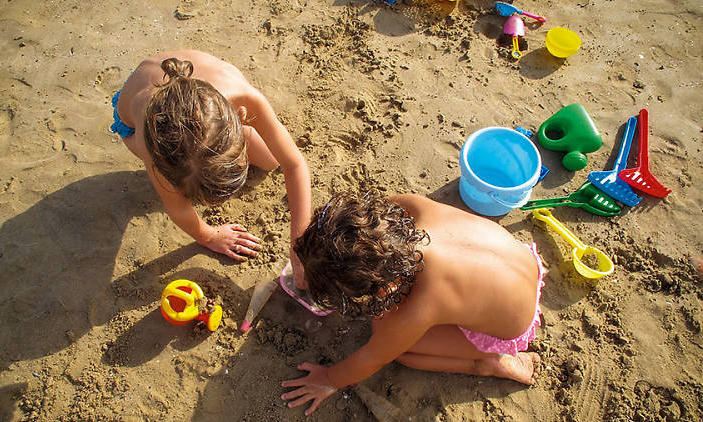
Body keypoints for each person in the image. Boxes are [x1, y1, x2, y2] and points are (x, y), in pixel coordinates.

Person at [281, 191, 544, 416]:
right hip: (521, 263)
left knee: (401, 350)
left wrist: (328, 379)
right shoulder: (413, 208)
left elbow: (372, 358)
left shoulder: (420, 304)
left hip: (511, 326)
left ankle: (490, 363)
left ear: (386, 289)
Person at [111, 50, 311, 273]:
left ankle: (216, 153)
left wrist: (299, 250)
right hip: (133, 119)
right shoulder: (150, 140)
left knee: (270, 160)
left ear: (239, 116)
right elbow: (176, 208)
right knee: (174, 181)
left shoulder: (243, 95)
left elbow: (294, 165)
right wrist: (209, 236)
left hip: (181, 78)